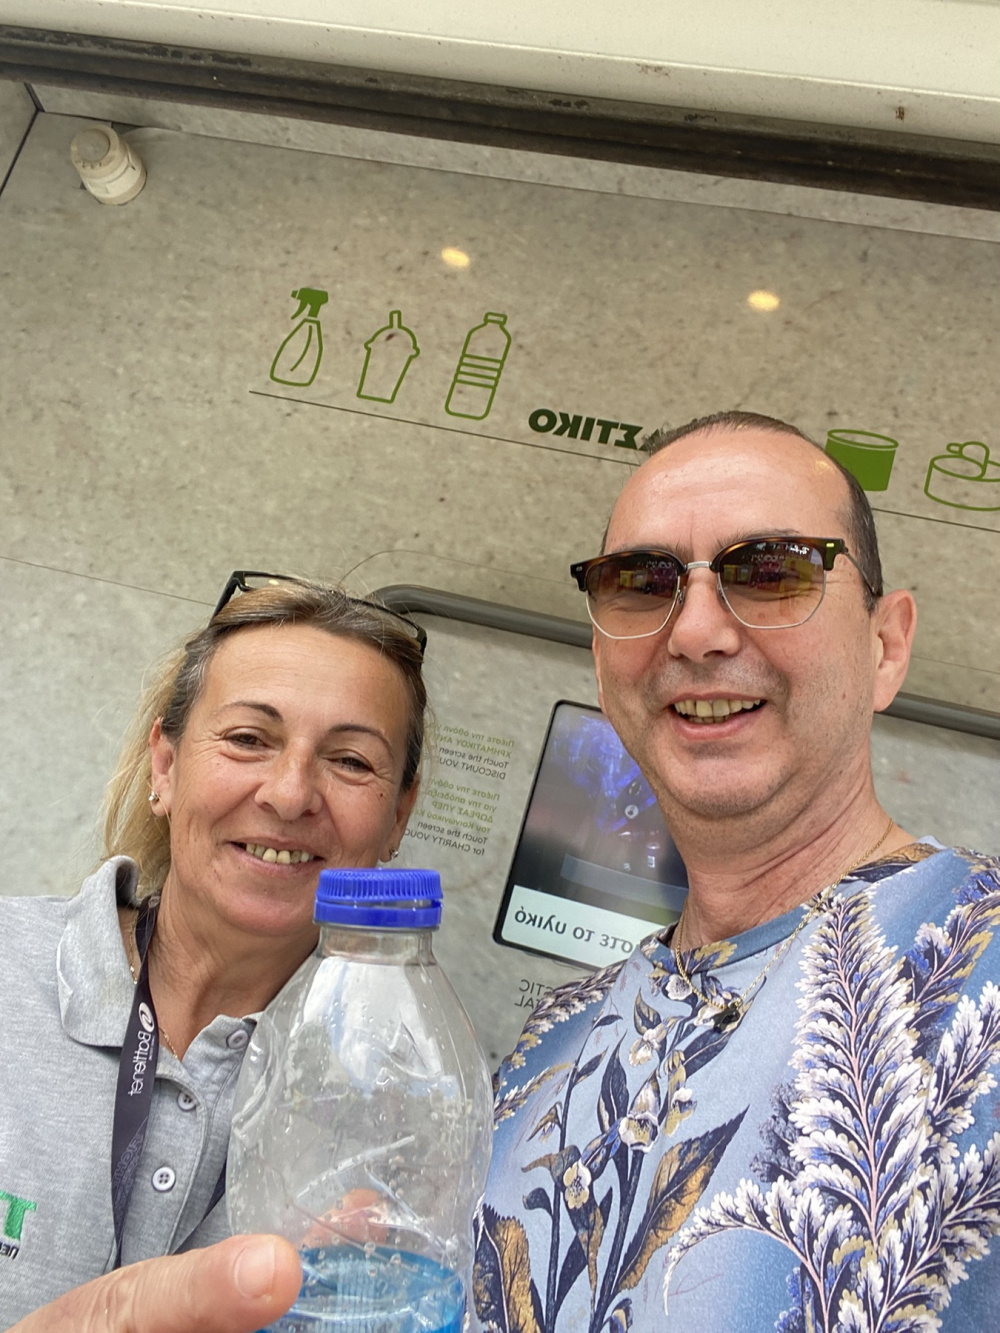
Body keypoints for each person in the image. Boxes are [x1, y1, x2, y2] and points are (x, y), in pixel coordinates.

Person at [472, 411, 1000, 1332]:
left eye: (772, 570)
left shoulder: (980, 963)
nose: (697, 631)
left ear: (885, 644)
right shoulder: (547, 1042)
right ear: (601, 665)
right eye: (642, 583)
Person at [0, 573, 427, 1328]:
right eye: (248, 739)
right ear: (165, 767)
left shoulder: (404, 1094)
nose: (290, 794)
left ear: (398, 816)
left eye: (352, 761)